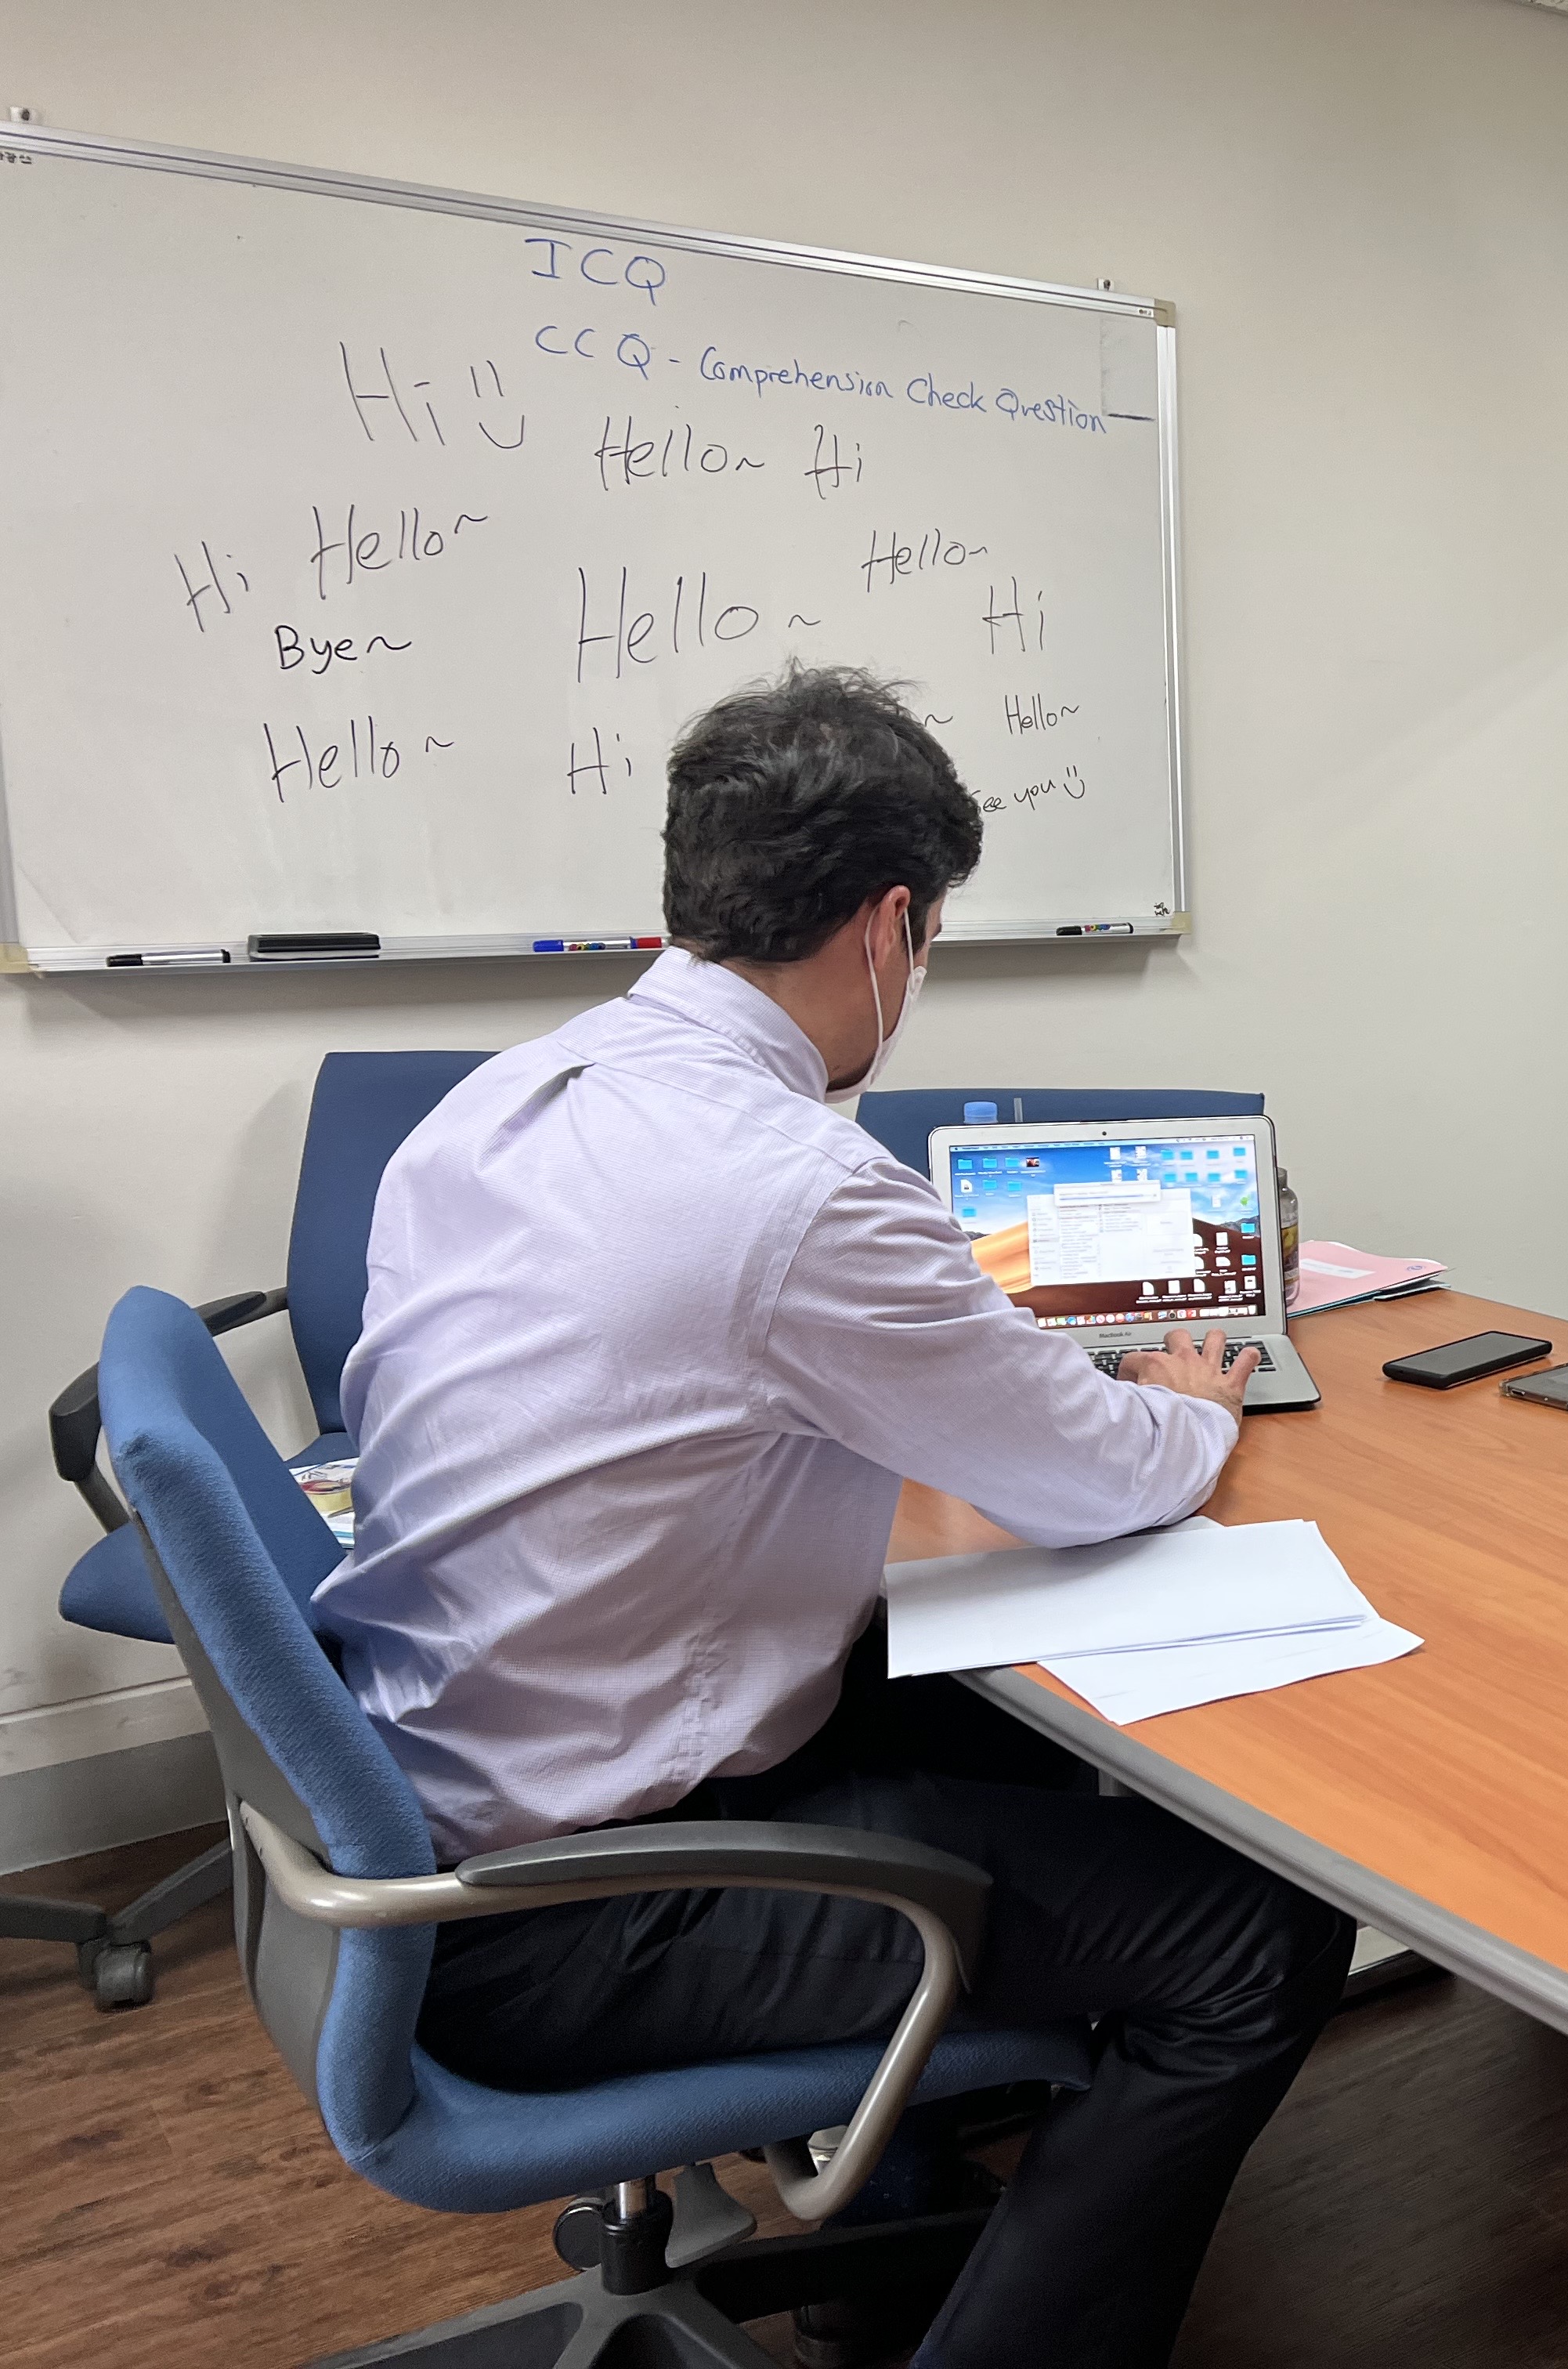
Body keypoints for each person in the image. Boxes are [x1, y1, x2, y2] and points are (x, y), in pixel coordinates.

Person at [316, 665, 1351, 2369]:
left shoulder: (498, 1102)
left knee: (995, 1719)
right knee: (1258, 1937)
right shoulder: (793, 1185)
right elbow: (1110, 1475)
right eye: (928, 939)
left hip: (446, 1780)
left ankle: (884, 2244)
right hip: (572, 1907)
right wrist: (1197, 1399)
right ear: (888, 926)